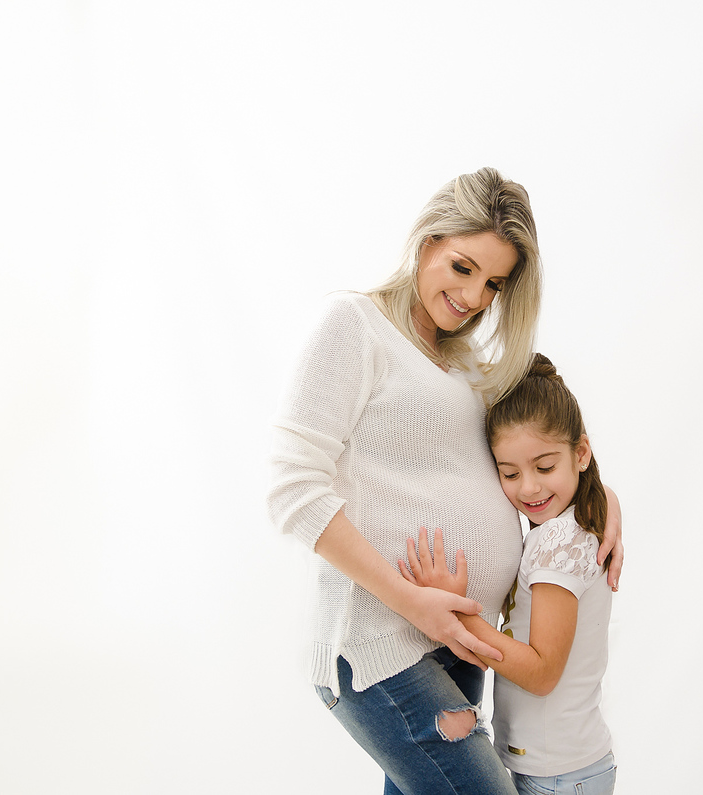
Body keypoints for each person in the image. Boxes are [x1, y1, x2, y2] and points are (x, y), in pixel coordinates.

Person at [267, 167, 623, 795]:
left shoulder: (463, 361)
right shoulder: (354, 326)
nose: (474, 298)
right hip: (380, 641)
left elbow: (543, 437)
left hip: (456, 643)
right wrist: (414, 602)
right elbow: (294, 490)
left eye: (493, 284)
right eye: (462, 267)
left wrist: (603, 499)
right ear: (428, 240)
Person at [401, 353, 618, 795]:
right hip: (559, 767)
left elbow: (542, 673)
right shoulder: (566, 526)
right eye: (510, 473)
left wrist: (459, 614)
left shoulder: (559, 544)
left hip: (559, 776)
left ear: (580, 453)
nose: (530, 488)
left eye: (544, 467)